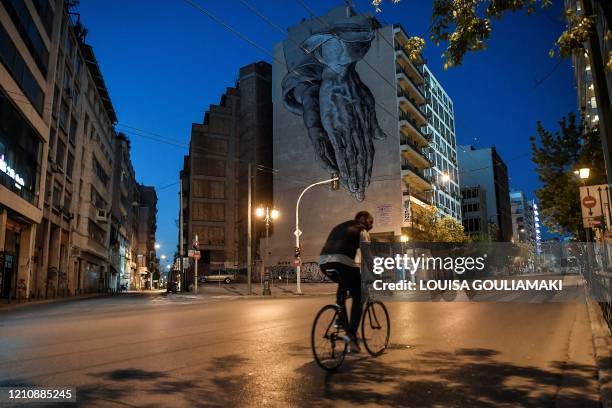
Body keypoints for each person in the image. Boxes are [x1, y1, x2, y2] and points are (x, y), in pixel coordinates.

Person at [319, 211, 374, 352]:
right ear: (363, 219)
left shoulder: (340, 226)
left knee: (343, 287)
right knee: (360, 295)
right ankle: (351, 336)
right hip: (342, 262)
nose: (371, 225)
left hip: (324, 262)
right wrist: (375, 274)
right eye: (371, 221)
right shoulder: (362, 231)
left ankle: (341, 319)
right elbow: (367, 257)